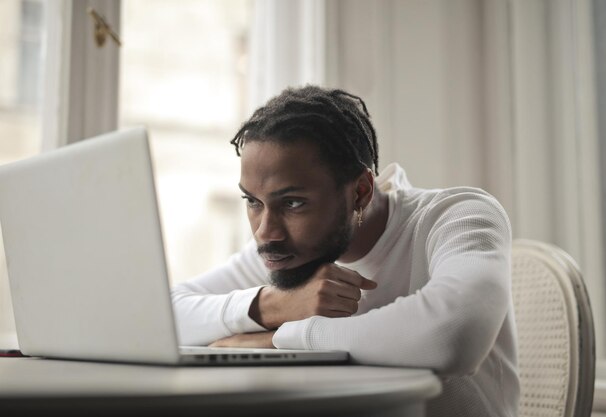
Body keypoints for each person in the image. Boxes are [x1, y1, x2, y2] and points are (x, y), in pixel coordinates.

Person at [171, 85, 519, 417]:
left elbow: (453, 334)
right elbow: (164, 314)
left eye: (293, 202)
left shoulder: (457, 216)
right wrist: (271, 306)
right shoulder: (282, 246)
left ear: (361, 192)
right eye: (253, 202)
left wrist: (280, 339)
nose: (265, 231)